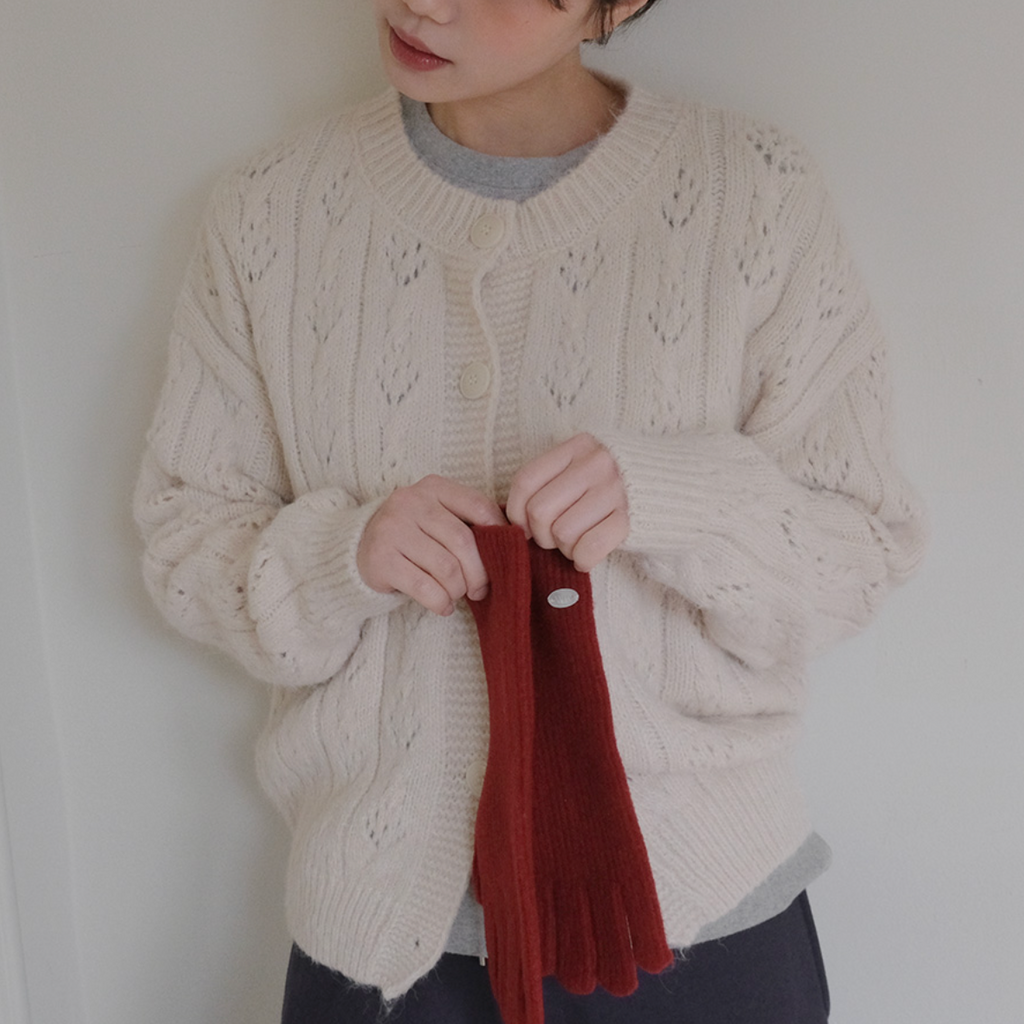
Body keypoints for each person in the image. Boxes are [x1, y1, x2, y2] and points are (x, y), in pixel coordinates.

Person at [134, 0, 927, 1020]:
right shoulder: (268, 212)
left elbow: (859, 548)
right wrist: (343, 554)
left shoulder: (755, 195)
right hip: (388, 938)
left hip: (696, 923)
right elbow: (188, 534)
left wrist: (680, 498)